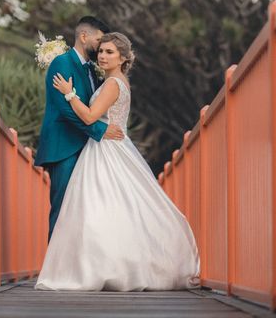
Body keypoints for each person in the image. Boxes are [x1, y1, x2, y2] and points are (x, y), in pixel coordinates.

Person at [35, 32, 200, 291]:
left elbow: (90, 117)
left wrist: (69, 94)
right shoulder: (117, 81)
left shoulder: (113, 84)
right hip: (112, 146)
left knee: (98, 206)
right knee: (114, 207)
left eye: (109, 52)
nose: (102, 55)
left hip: (106, 151)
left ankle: (105, 268)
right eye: (101, 51)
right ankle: (114, 265)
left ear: (123, 58)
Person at [34, 16, 125, 242]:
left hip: (86, 151)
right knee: (63, 208)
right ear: (84, 37)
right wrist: (100, 131)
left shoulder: (91, 70)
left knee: (83, 213)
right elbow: (66, 111)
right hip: (64, 148)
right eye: (98, 40)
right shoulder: (62, 63)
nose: (101, 47)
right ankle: (55, 271)